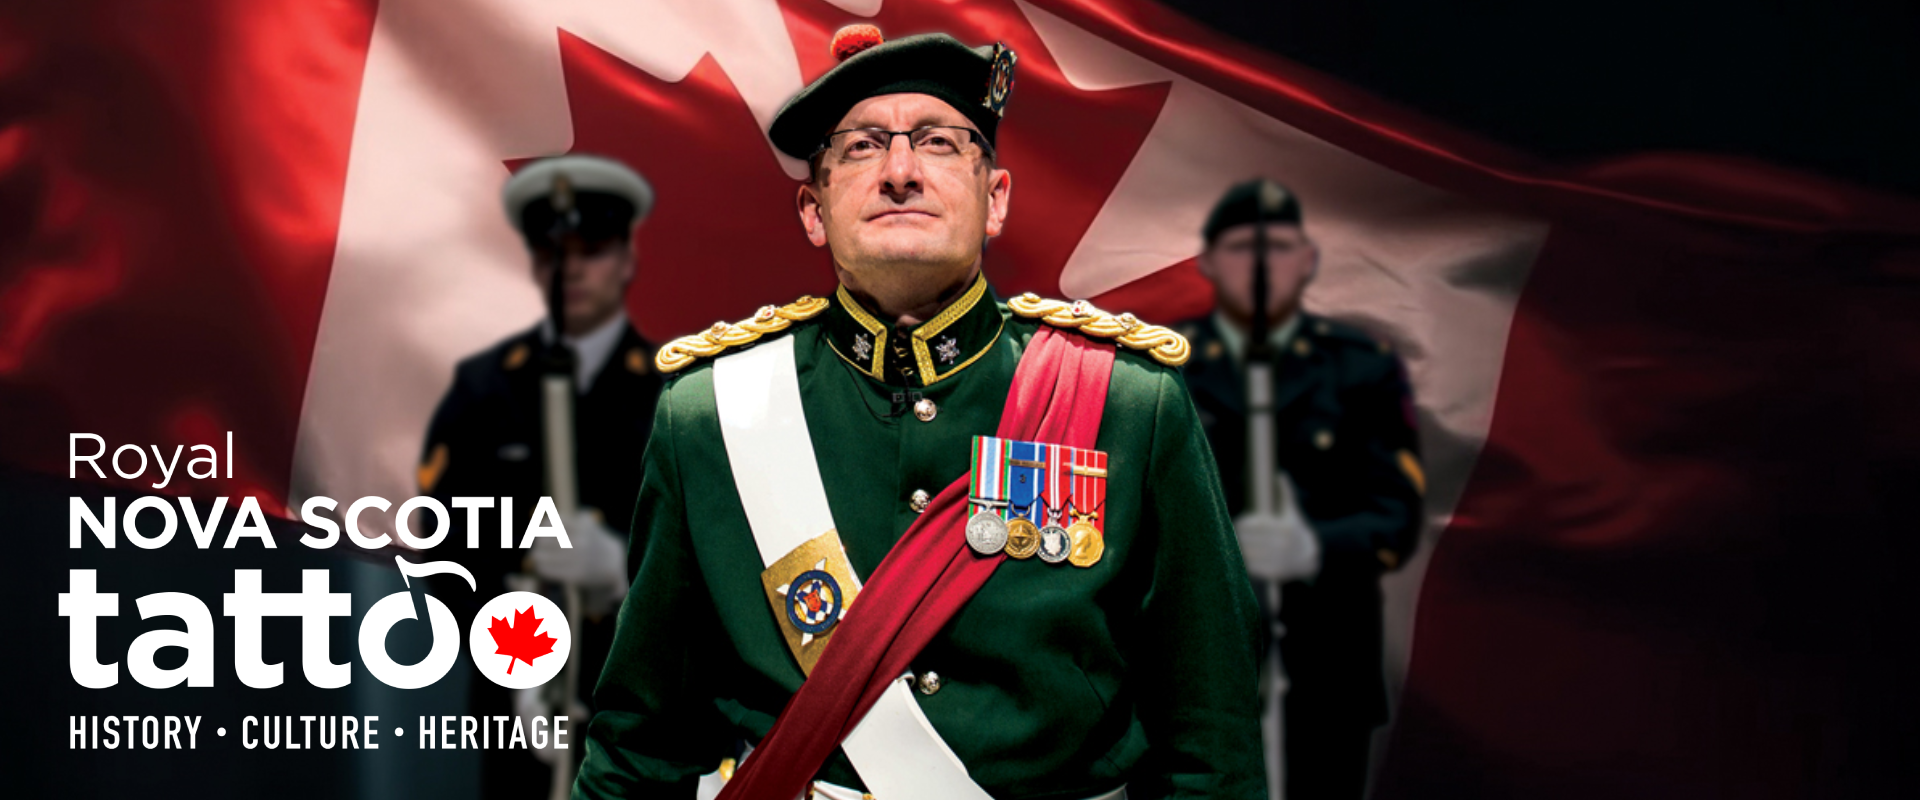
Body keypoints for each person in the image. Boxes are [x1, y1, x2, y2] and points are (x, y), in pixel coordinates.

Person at [576, 25, 1264, 800]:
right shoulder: (709, 415)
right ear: (813, 210)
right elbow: (641, 745)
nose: (900, 171)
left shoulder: (1126, 402)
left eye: (937, 142)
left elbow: (1212, 744)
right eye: (863, 147)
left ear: (995, 198)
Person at [417, 153, 664, 799]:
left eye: (594, 248)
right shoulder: (485, 389)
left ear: (627, 258)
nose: (573, 268)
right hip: (519, 706)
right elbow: (443, 549)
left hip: (645, 709)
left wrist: (623, 574)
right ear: (533, 262)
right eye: (556, 251)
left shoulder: (676, 391)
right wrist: (518, 646)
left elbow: (711, 555)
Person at [1177, 179, 1425, 800]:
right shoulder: (1165, 367)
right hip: (1196, 662)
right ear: (1208, 261)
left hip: (1329, 660)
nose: (1261, 265)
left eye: (1279, 246)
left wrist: (1312, 549)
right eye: (1241, 247)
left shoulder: (1361, 367)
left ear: (1308, 259)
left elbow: (1396, 516)